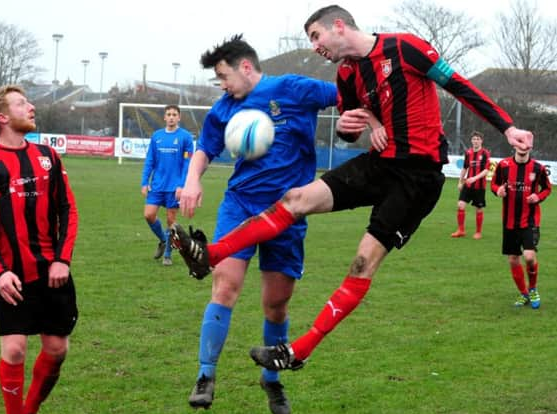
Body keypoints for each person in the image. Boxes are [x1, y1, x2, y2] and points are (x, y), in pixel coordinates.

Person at [171, 5, 534, 386]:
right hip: (379, 163)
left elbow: (458, 85)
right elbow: (350, 123)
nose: (314, 47)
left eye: (316, 36)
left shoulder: (406, 48)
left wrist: (507, 128)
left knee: (362, 263)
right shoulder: (346, 73)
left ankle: (300, 350)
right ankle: (210, 255)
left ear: (338, 26)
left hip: (418, 178)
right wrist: (351, 126)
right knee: (296, 199)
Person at [171, 35, 337, 414]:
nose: (222, 84)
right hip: (241, 205)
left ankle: (271, 379)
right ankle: (205, 377)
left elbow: (348, 96)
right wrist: (193, 179)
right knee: (224, 286)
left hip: (289, 212)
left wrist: (362, 118)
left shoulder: (294, 89)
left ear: (246, 67)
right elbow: (205, 148)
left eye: (224, 76)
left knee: (276, 304)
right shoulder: (224, 108)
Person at [0, 85, 78, 414]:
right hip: (10, 275)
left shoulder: (48, 156)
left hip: (52, 270)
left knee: (57, 350)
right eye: (21, 103)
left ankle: (31, 406)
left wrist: (62, 258)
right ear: (2, 117)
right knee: (14, 349)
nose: (31, 107)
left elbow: (67, 209)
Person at [491, 147, 551, 309]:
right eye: (519, 144)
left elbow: (547, 188)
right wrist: (498, 191)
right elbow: (494, 184)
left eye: (526, 145)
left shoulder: (538, 168)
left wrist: (537, 196)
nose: (522, 148)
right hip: (509, 221)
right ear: (514, 146)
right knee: (513, 259)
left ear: (530, 147)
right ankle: (523, 293)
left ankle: (533, 289)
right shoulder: (503, 165)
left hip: (529, 220)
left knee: (529, 256)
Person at [141, 104, 193, 266]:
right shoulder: (157, 136)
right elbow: (150, 160)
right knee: (148, 215)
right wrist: (145, 182)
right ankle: (164, 241)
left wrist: (181, 185)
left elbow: (187, 163)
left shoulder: (185, 137)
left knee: (171, 220)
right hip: (157, 185)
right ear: (164, 117)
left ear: (179, 117)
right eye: (168, 114)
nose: (171, 117)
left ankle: (168, 255)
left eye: (174, 114)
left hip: (174, 187)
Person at [451, 131, 491, 239]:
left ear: (481, 141)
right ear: (471, 141)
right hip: (468, 185)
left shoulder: (485, 153)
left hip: (479, 187)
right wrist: (460, 181)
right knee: (460, 205)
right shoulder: (468, 153)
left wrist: (475, 178)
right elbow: (465, 168)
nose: (476, 141)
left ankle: (478, 232)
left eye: (478, 139)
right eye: (474, 139)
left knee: (478, 209)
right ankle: (461, 230)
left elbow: (486, 170)